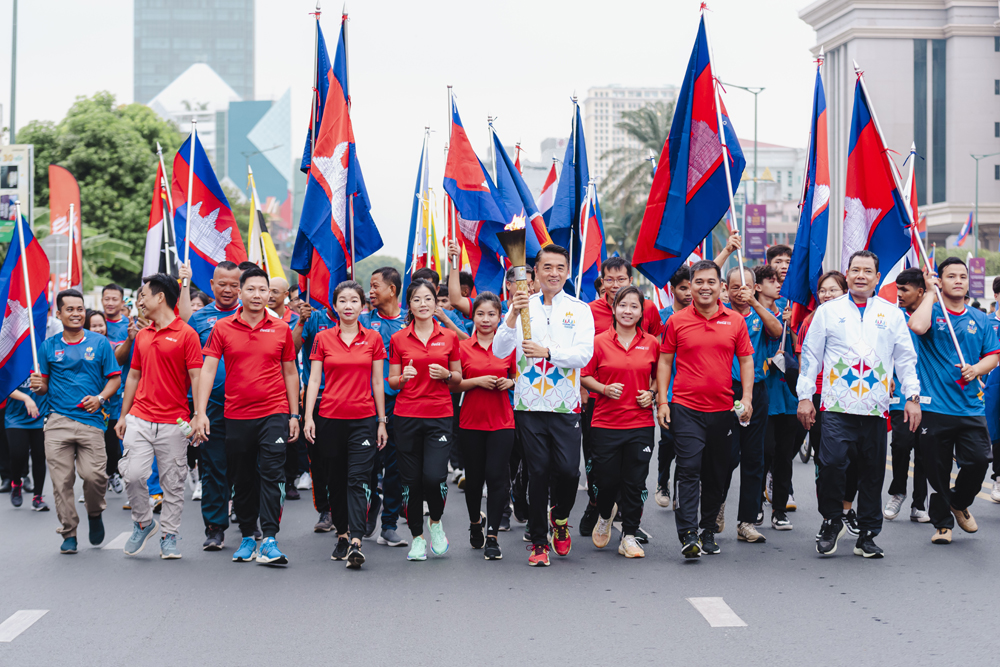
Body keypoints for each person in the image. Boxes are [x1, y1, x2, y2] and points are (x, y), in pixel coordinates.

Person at [797, 250, 920, 558]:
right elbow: (811, 357)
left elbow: (905, 358)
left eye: (868, 271)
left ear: (877, 278)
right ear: (847, 274)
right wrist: (804, 396)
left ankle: (868, 534)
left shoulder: (891, 313)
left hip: (875, 409)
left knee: (872, 472)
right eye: (855, 270)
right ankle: (831, 520)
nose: (861, 275)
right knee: (832, 465)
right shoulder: (828, 311)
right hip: (837, 406)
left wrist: (913, 397)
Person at [493, 244, 595, 567]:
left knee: (567, 471)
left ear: (567, 271)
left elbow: (584, 354)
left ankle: (560, 519)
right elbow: (498, 351)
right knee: (537, 472)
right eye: (547, 267)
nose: (553, 273)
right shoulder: (524, 306)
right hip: (529, 403)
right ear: (534, 271)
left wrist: (548, 352)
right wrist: (511, 314)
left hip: (565, 404)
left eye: (559, 268)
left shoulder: (580, 309)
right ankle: (539, 541)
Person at [192, 267, 300, 566]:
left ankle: (269, 538)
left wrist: (294, 414)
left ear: (270, 294)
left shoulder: (280, 329)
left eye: (262, 290)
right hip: (236, 414)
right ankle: (248, 535)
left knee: (272, 472)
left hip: (274, 412)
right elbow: (209, 370)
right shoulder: (223, 328)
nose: (256, 295)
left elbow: (290, 372)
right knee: (241, 477)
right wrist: (201, 413)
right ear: (241, 292)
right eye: (250, 289)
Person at [657, 260, 754, 559]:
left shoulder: (735, 321)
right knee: (688, 469)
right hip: (686, 408)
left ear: (720, 286)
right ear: (691, 285)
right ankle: (688, 534)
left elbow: (747, 360)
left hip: (724, 409)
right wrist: (663, 401)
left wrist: (747, 399)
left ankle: (708, 529)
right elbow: (664, 361)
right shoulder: (677, 321)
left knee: (717, 472)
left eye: (711, 282)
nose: (704, 287)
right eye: (698, 282)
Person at [906, 258, 999, 545]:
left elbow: (993, 355)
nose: (958, 280)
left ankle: (958, 502)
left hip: (970, 406)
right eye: (951, 276)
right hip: (934, 406)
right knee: (937, 468)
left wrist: (977, 369)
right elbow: (917, 326)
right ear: (940, 281)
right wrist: (930, 293)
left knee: (980, 460)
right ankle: (943, 524)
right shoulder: (930, 312)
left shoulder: (980, 319)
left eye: (963, 276)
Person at [115, 273, 203, 559]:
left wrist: (199, 415)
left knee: (173, 483)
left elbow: (196, 377)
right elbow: (133, 377)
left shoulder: (186, 334)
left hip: (174, 422)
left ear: (160, 297)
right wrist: (123, 415)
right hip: (139, 418)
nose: (140, 301)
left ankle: (169, 535)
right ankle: (143, 522)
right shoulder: (142, 335)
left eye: (144, 295)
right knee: (133, 474)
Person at [303, 280, 388, 569]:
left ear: (362, 306)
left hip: (363, 420)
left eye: (354, 300)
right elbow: (314, 379)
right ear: (335, 306)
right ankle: (341, 532)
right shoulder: (323, 338)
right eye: (343, 301)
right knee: (334, 480)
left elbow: (378, 381)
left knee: (358, 479)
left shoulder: (374, 339)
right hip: (329, 419)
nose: (348, 306)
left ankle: (356, 540)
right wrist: (308, 417)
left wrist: (381, 421)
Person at [30, 289, 122, 554]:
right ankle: (69, 532)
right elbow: (44, 387)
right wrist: (38, 386)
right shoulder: (49, 346)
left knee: (94, 477)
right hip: (57, 421)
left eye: (80, 308)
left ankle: (94, 513)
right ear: (58, 314)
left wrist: (101, 398)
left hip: (92, 421)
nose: (76, 314)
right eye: (69, 309)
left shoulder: (100, 343)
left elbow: (114, 378)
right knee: (62, 483)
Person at [579, 257, 662, 536]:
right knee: (604, 477)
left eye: (633, 307)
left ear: (642, 313)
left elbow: (660, 373)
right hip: (603, 417)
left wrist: (651, 393)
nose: (628, 311)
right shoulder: (596, 333)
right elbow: (583, 371)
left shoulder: (651, 342)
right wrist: (602, 389)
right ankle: (603, 511)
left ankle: (630, 532)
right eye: (622, 306)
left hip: (639, 422)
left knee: (635, 479)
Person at [387, 279, 463, 561]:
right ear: (410, 304)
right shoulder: (398, 339)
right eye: (417, 299)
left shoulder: (449, 338)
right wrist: (401, 378)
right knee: (410, 482)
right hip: (406, 416)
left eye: (428, 298)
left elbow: (458, 379)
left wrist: (446, 376)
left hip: (439, 415)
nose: (423, 304)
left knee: (434, 477)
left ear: (435, 302)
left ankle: (436, 523)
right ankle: (417, 537)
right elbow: (392, 381)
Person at [715, 266, 781, 548]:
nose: (739, 291)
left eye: (746, 286)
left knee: (755, 457)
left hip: (756, 390)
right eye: (733, 287)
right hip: (724, 391)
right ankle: (715, 507)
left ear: (755, 288)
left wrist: (755, 304)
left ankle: (747, 521)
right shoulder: (720, 315)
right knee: (726, 456)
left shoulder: (760, 316)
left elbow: (777, 331)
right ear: (726, 290)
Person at [185, 261, 242, 550]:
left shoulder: (253, 316)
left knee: (246, 466)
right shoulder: (200, 319)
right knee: (213, 467)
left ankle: (249, 520)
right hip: (212, 408)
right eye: (223, 284)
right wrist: (197, 410)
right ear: (212, 286)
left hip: (247, 407)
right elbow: (193, 367)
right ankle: (215, 527)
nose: (229, 289)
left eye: (235, 284)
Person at [455, 292, 516, 560]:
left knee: (497, 477)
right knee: (475, 479)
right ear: (473, 316)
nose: (486, 319)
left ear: (500, 317)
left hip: (502, 421)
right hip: (470, 421)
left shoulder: (510, 345)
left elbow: (518, 375)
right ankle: (474, 522)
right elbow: (453, 383)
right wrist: (478, 382)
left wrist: (509, 383)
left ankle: (492, 536)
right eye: (480, 314)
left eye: (492, 314)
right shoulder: (462, 347)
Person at [360, 266, 409, 548]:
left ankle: (389, 525)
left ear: (392, 289)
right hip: (367, 402)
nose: (371, 291)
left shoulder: (410, 320)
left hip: (400, 403)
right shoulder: (363, 321)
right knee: (367, 465)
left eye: (376, 285)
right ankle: (371, 505)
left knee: (395, 467)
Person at [753, 264, 799, 531]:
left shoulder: (787, 312)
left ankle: (779, 509)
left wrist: (792, 327)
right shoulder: (751, 315)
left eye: (778, 279)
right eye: (771, 280)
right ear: (757, 286)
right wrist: (769, 363)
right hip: (763, 395)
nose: (777, 283)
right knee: (763, 453)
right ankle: (756, 503)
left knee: (783, 456)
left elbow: (799, 347)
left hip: (788, 396)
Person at [883, 268, 929, 523]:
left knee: (925, 451)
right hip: (902, 394)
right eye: (898, 289)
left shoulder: (935, 314)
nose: (898, 294)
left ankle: (919, 503)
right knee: (901, 445)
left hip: (932, 396)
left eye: (904, 290)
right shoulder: (893, 316)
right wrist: (887, 374)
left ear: (920, 291)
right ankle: (897, 492)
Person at [292, 299, 341, 532]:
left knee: (349, 461)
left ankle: (352, 511)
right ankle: (326, 510)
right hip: (317, 399)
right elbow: (291, 351)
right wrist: (301, 321)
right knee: (319, 459)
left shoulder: (363, 322)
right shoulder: (314, 318)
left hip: (352, 400)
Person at [654, 265, 693, 510]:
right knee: (668, 439)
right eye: (683, 288)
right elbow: (659, 357)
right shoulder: (662, 317)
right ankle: (662, 482)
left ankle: (680, 490)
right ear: (672, 289)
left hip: (691, 390)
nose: (689, 293)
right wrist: (659, 393)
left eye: (692, 287)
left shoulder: (700, 315)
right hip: (668, 388)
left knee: (687, 444)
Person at [6, 376, 49, 511]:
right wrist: (26, 398)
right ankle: (17, 483)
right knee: (18, 454)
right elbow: (5, 386)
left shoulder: (43, 358)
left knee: (39, 456)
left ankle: (38, 497)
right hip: (16, 417)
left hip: (40, 415)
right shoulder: (15, 359)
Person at [984, 277, 1000, 502]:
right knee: (996, 435)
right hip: (993, 386)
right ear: (996, 296)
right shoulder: (985, 323)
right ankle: (998, 479)